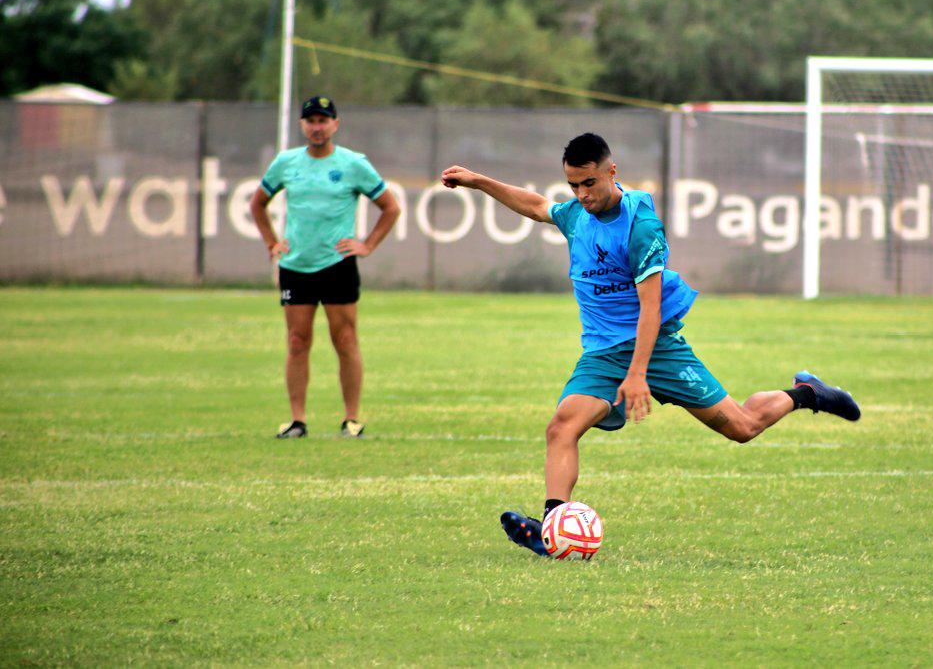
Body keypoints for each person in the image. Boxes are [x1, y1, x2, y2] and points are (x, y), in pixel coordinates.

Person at [441, 133, 860, 557]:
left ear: (611, 172)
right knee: (562, 426)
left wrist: (639, 373)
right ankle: (552, 526)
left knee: (743, 427)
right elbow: (534, 205)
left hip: (656, 347)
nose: (582, 195)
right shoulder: (575, 214)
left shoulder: (640, 226)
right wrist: (478, 181)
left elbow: (650, 307)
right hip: (604, 353)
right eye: (573, 186)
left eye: (589, 184)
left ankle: (806, 393)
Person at [251, 95, 400, 439]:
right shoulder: (286, 163)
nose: (317, 127)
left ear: (335, 124)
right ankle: (297, 420)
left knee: (345, 339)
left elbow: (390, 207)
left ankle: (351, 419)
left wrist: (367, 245)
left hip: (337, 264)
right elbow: (258, 204)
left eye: (323, 120)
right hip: (296, 265)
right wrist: (272, 243)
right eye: (311, 121)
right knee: (297, 340)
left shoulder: (353, 164)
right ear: (302, 125)